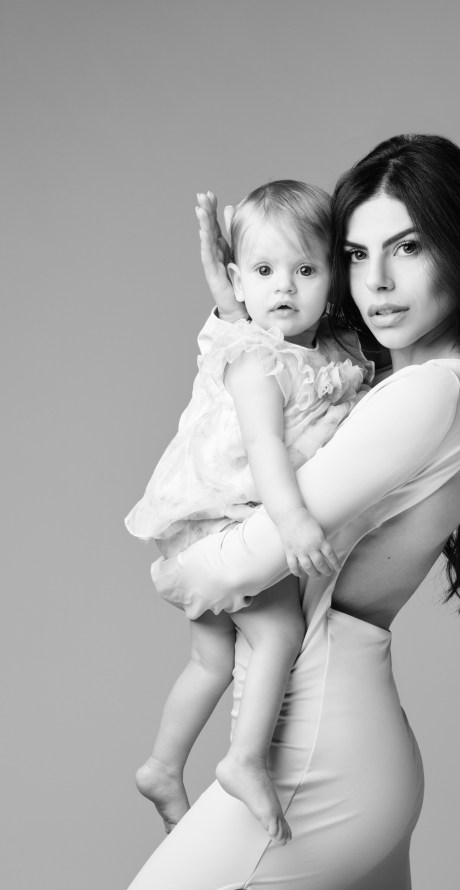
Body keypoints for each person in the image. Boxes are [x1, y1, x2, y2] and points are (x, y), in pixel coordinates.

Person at [47, 134, 460, 890]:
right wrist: (234, 301)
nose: (376, 282)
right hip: (332, 744)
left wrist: (175, 566)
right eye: (355, 254)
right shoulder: (423, 390)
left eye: (408, 247)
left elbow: (251, 556)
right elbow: (289, 391)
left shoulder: (429, 394)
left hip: (316, 759)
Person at [126, 181, 372, 840]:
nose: (284, 287)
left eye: (304, 270)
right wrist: (293, 522)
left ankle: (161, 765)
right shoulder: (255, 358)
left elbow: (250, 310)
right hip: (224, 518)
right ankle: (243, 759)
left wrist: (236, 284)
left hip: (215, 520)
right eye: (264, 272)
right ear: (239, 281)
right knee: (279, 634)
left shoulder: (324, 351)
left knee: (210, 661)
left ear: (333, 279)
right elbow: (264, 446)